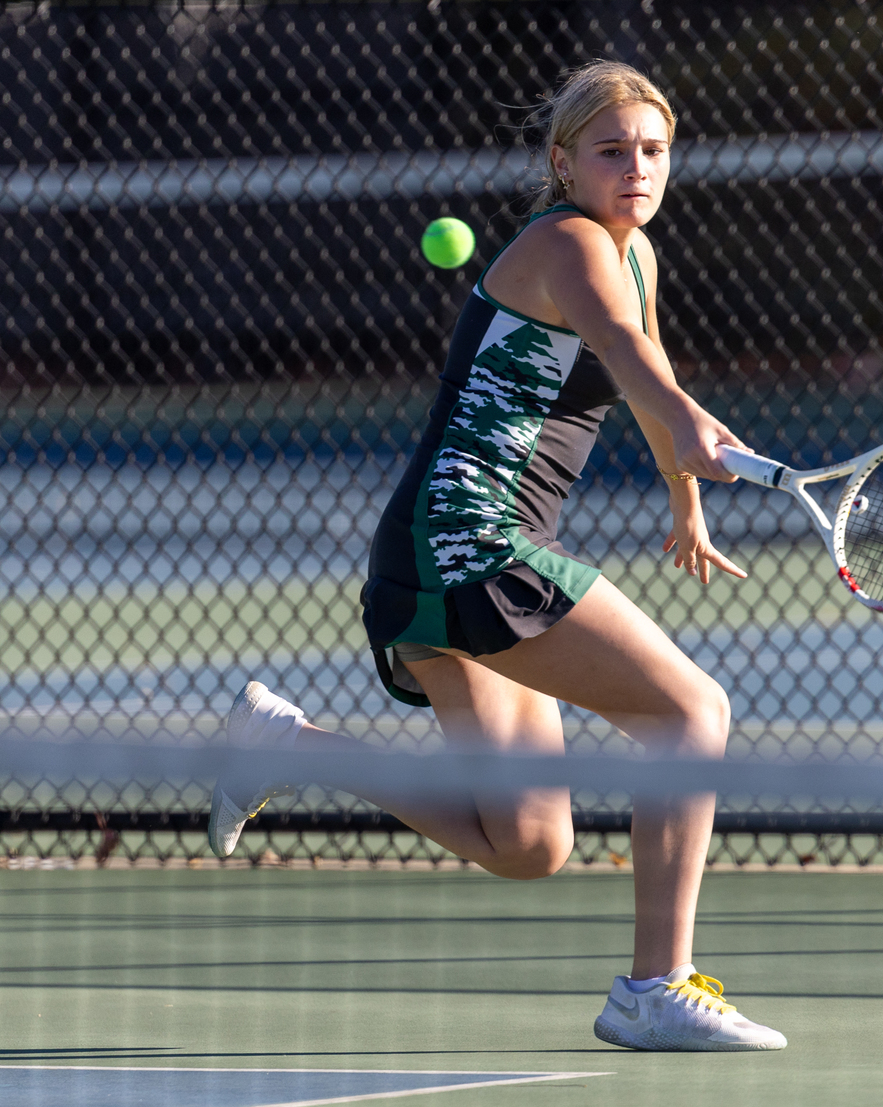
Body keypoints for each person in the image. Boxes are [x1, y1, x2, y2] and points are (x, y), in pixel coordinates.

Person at [207, 61, 787, 1053]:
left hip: (459, 547)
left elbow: (646, 374)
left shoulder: (631, 252)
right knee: (693, 713)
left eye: (653, 151)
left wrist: (685, 492)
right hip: (469, 537)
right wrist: (688, 419)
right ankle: (656, 985)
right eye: (612, 151)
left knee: (528, 845)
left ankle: (286, 746)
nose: (635, 169)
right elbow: (626, 351)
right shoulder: (568, 244)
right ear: (565, 163)